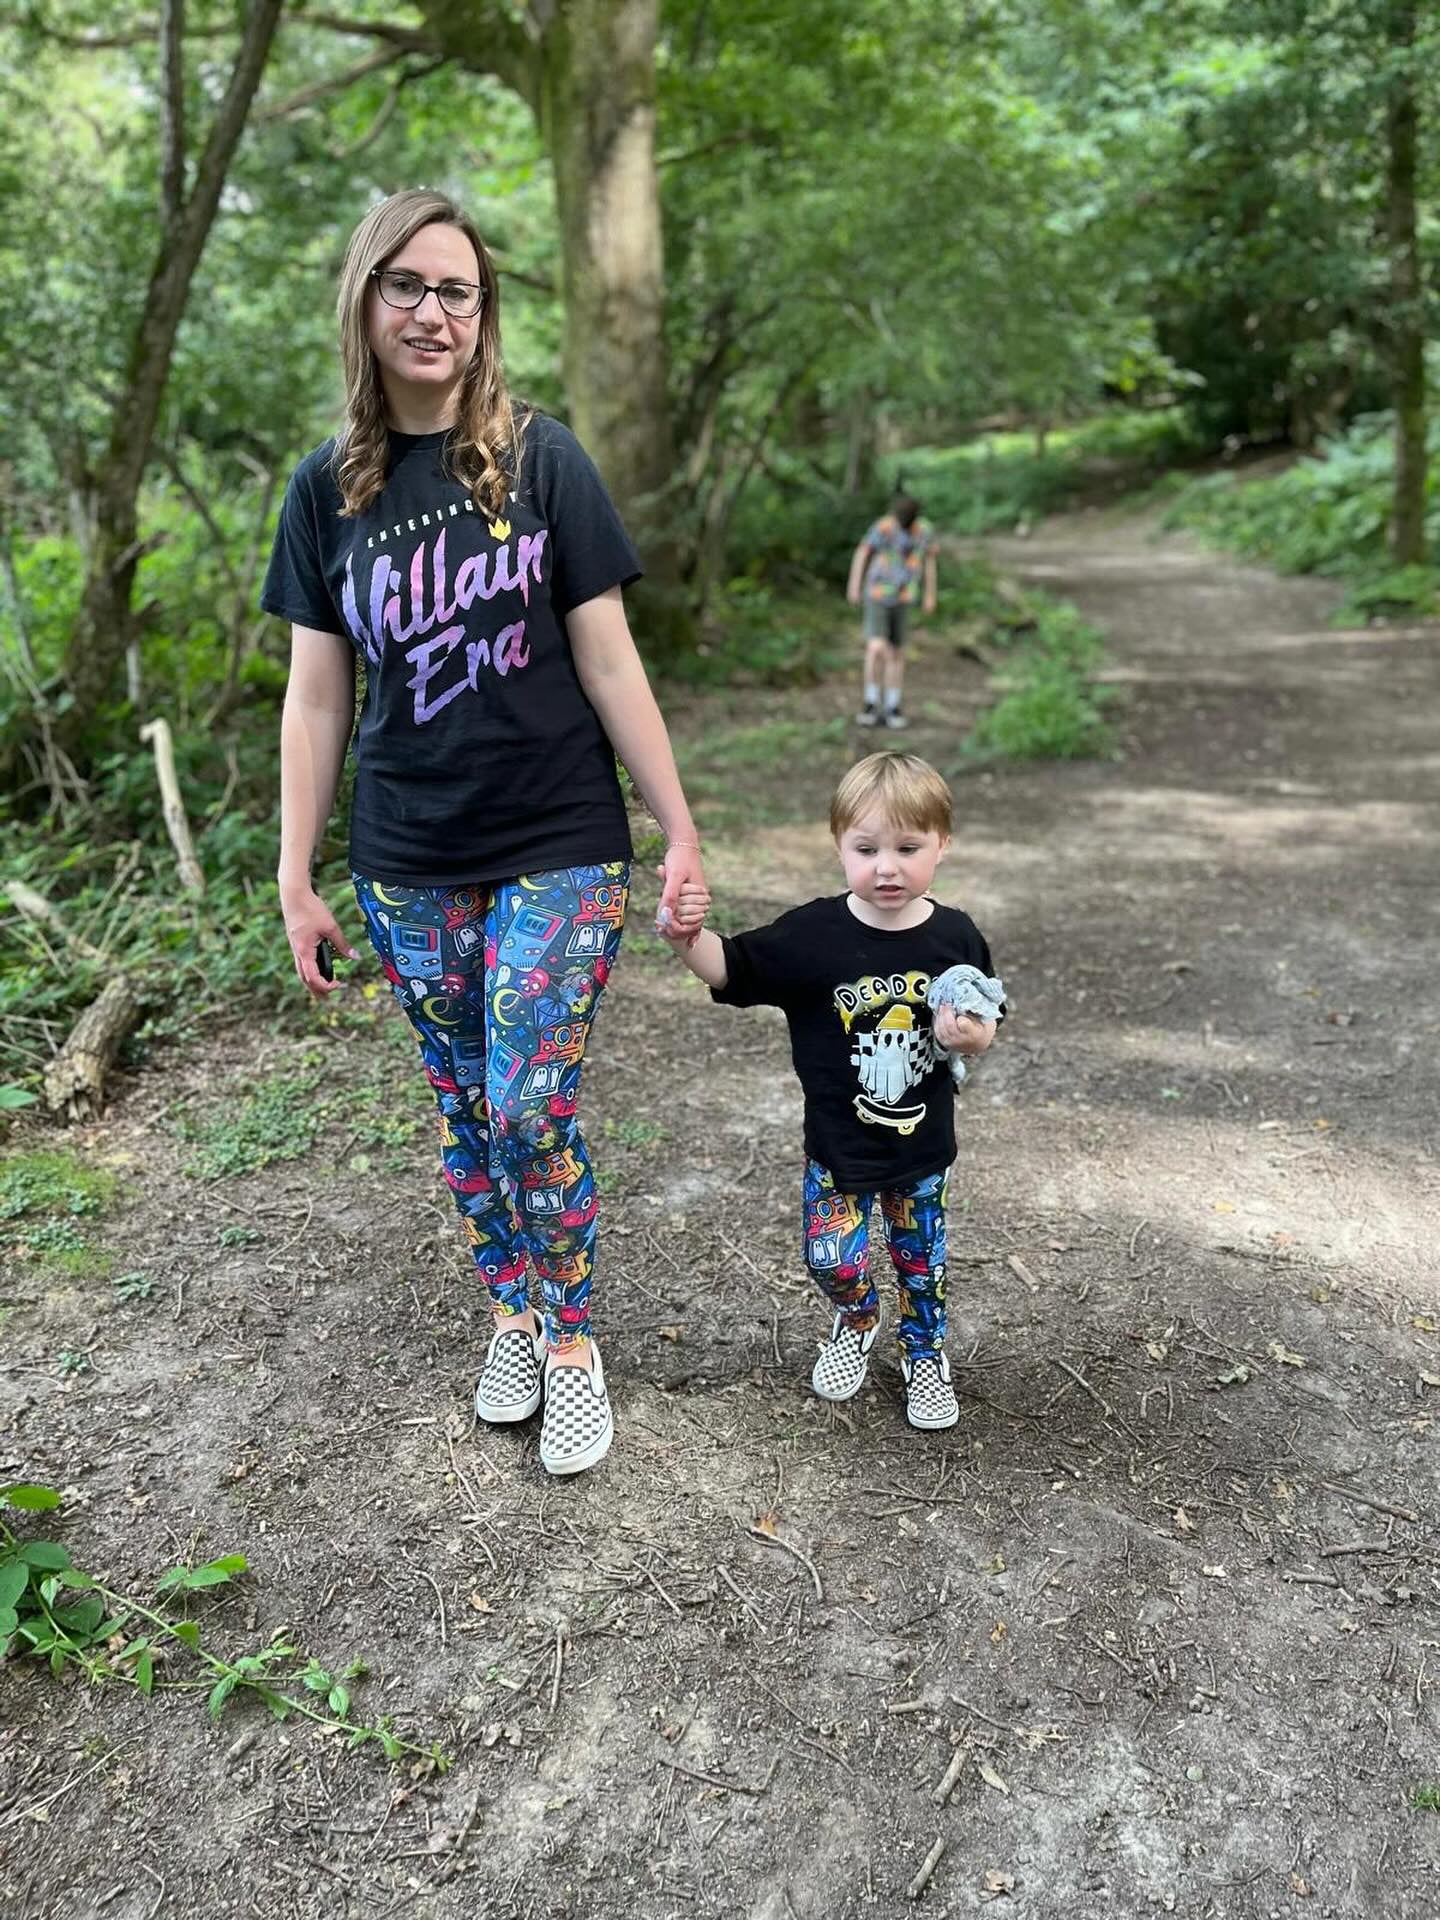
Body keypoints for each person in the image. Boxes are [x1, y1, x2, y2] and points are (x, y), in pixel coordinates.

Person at [262, 189, 708, 1477]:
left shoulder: (541, 458)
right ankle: (511, 1304)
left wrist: (675, 828)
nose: (432, 311)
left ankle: (571, 1344)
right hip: (406, 855)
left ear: (483, 315)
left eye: (457, 290)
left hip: (559, 836)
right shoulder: (324, 491)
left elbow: (612, 662)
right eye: (406, 284)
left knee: (525, 1103)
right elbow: (315, 697)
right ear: (364, 299)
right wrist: (294, 874)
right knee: (465, 1108)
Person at [659, 752, 999, 1430]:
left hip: (921, 1149)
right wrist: (686, 937)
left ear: (942, 846)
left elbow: (984, 1016)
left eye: (908, 848)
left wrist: (969, 1037)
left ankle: (925, 1353)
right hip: (837, 1148)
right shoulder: (814, 934)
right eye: (866, 848)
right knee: (830, 1260)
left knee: (921, 1268)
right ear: (839, 846)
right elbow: (732, 967)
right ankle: (857, 1317)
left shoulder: (955, 934)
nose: (887, 867)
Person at [847, 491, 937, 731]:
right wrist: (854, 586)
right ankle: (870, 701)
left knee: (897, 651)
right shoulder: (884, 527)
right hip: (877, 593)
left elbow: (929, 560)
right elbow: (863, 551)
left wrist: (930, 594)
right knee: (876, 647)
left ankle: (892, 705)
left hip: (904, 596)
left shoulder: (923, 531)